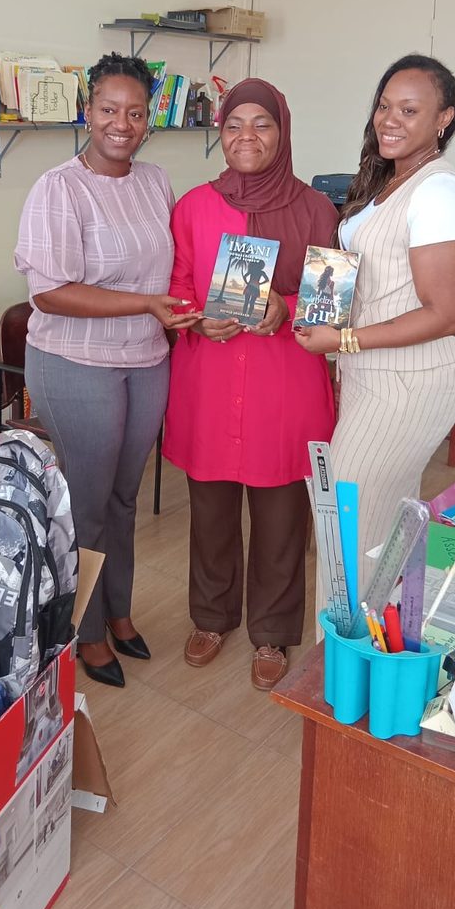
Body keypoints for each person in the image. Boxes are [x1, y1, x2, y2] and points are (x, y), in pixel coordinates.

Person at [14, 53, 199, 689]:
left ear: (150, 120)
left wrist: (191, 306)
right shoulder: (58, 188)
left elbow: (168, 268)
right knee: (87, 505)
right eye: (108, 110)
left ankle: (118, 611)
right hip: (75, 362)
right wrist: (146, 303)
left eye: (136, 112)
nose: (122, 123)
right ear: (86, 112)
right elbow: (50, 292)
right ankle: (83, 632)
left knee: (124, 499)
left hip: (145, 359)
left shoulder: (154, 181)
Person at [163, 78, 337, 691]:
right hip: (210, 380)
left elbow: (330, 303)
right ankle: (211, 618)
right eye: (234, 123)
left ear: (282, 131)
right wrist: (193, 312)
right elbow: (179, 283)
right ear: (220, 132)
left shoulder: (317, 209)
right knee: (209, 511)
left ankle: (272, 632)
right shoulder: (193, 206)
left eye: (261, 123)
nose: (247, 136)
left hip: (284, 384)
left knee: (280, 516)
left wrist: (286, 309)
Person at [295, 53, 455, 593]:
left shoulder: (438, 192)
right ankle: (381, 661)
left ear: (443, 119)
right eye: (383, 105)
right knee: (379, 534)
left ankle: (339, 667)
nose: (389, 119)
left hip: (408, 381)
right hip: (376, 375)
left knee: (345, 536)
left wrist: (343, 338)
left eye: (408, 109)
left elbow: (446, 315)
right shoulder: (394, 180)